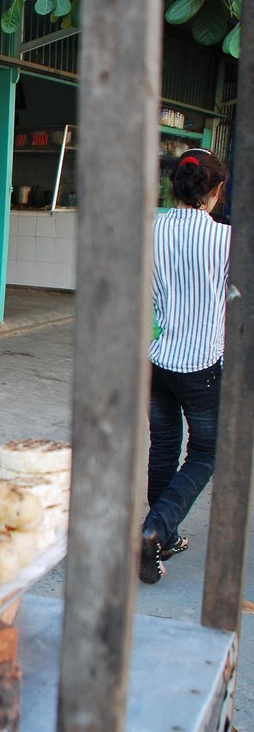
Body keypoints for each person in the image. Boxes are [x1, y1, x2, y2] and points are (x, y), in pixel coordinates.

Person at [139, 148, 231, 584]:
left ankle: (160, 536)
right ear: (214, 193)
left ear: (172, 186)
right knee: (206, 453)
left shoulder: (150, 231)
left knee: (163, 446)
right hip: (203, 364)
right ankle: (157, 529)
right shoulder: (226, 240)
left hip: (158, 358)